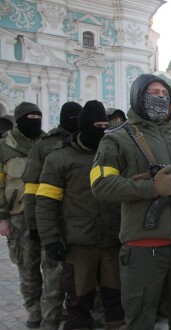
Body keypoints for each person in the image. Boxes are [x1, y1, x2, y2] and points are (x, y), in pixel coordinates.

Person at [90, 74, 171, 329]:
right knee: (140, 318)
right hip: (143, 249)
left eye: (164, 94)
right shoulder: (117, 139)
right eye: (153, 92)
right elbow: (100, 186)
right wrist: (151, 187)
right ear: (138, 97)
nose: (160, 97)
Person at [36, 100, 124, 329]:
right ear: (84, 126)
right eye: (97, 125)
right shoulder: (60, 159)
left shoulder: (115, 154)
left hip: (114, 243)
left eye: (106, 125)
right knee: (78, 302)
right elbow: (46, 203)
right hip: (79, 246)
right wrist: (51, 239)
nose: (102, 130)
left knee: (116, 302)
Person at [21, 101, 82, 329]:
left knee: (83, 283)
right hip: (54, 223)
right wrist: (35, 226)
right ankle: (49, 322)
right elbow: (32, 189)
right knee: (54, 281)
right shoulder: (44, 145)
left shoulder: (90, 140)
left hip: (80, 224)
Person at [0, 102, 45, 328]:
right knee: (27, 266)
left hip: (47, 214)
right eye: (30, 117)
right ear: (18, 120)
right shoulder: (4, 147)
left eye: (38, 116)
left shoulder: (48, 143)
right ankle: (34, 309)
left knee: (53, 265)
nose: (35, 120)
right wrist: (2, 218)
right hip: (19, 215)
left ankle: (52, 306)